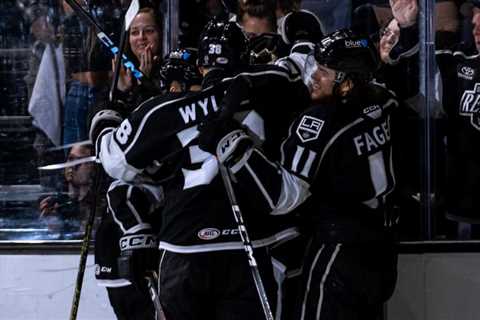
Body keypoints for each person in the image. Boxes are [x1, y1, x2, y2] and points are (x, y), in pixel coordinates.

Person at [89, 19, 309, 319]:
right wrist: (299, 33)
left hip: (183, 247)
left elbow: (114, 160)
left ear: (200, 67)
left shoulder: (161, 109)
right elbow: (305, 65)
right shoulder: (272, 84)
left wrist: (108, 116)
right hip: (253, 245)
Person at [203, 29, 400, 319]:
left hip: (338, 251)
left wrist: (232, 144)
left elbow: (283, 196)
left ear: (347, 82)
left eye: (323, 71)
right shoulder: (383, 100)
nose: (313, 77)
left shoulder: (319, 121)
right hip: (382, 247)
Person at [39, 143, 95, 239]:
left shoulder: (100, 203)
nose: (71, 166)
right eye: (70, 159)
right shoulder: (56, 203)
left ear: (92, 167)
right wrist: (52, 225)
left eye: (79, 161)